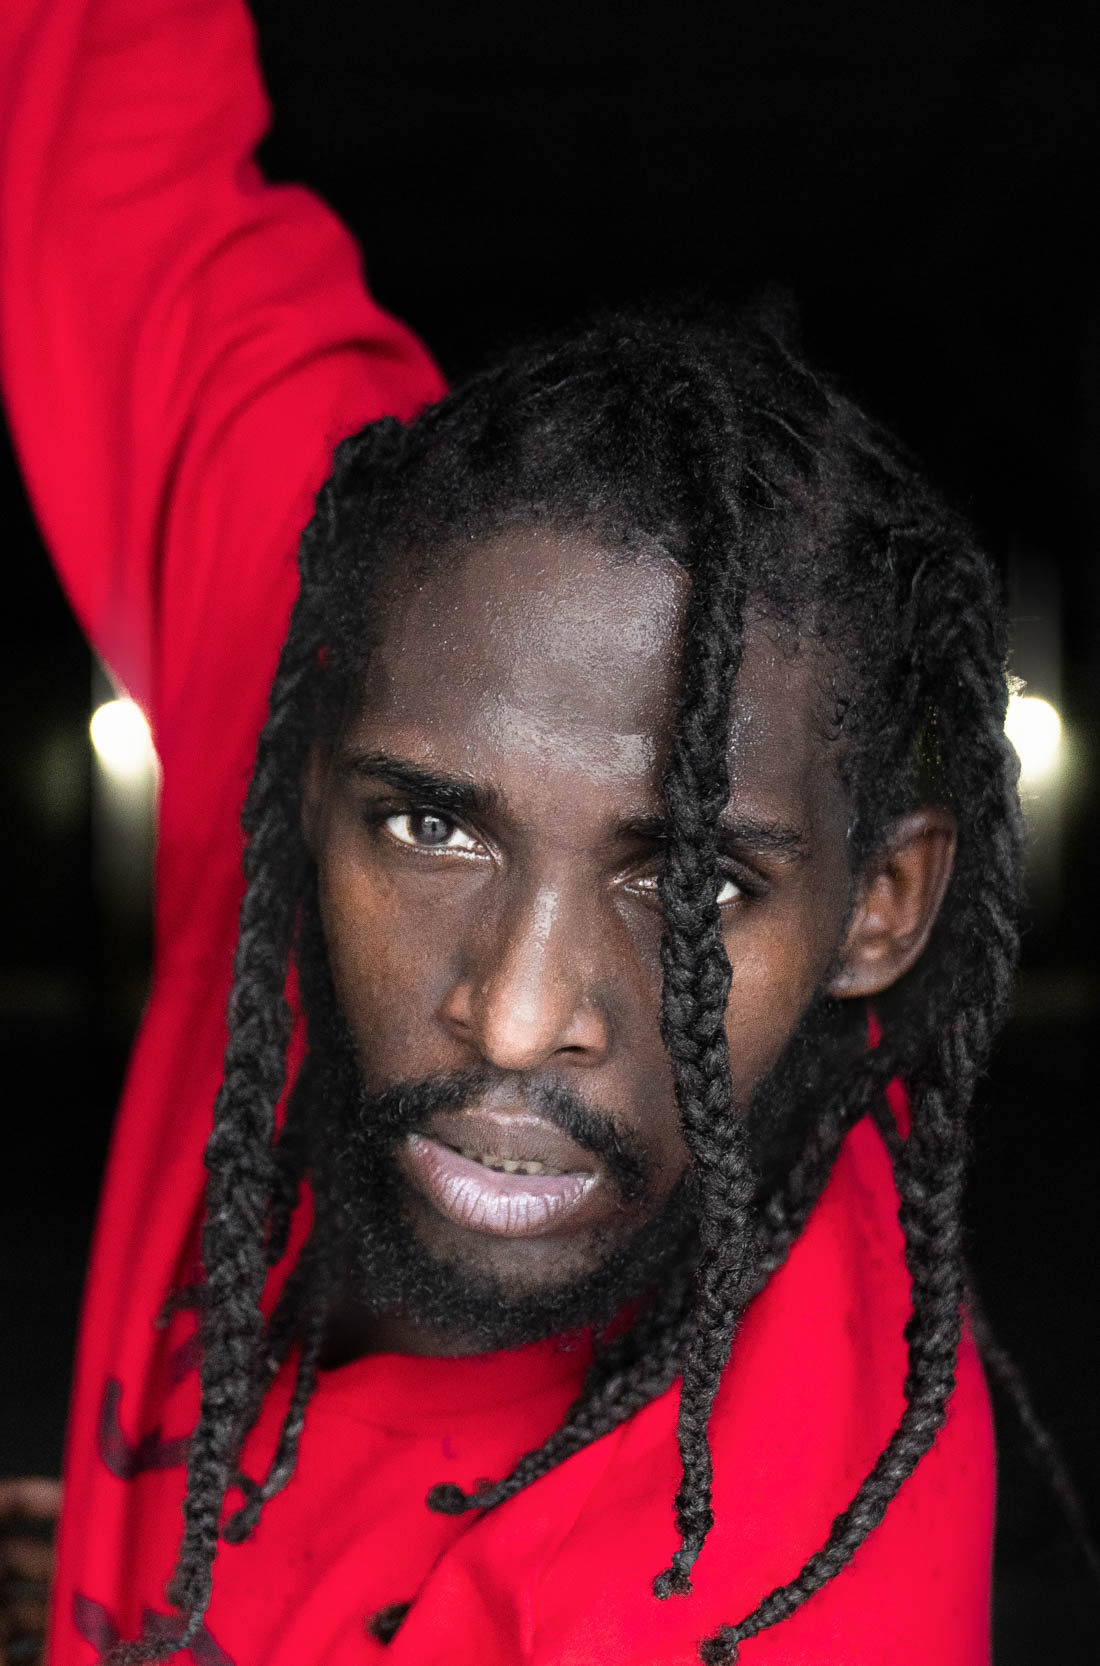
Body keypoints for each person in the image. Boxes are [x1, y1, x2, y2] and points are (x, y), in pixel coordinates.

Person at [0, 0, 1025, 1662]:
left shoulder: (787, 1589)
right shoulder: (314, 658)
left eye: (693, 876)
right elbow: (106, 121)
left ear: (882, 904)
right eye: (429, 825)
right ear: (307, 746)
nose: (518, 1004)